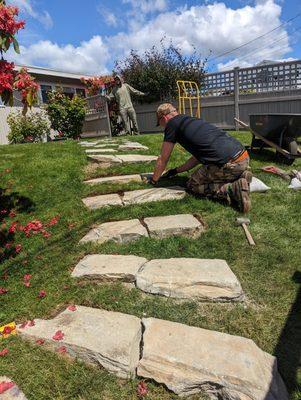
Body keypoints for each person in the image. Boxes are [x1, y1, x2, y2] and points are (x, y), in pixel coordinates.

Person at [150, 103, 252, 213]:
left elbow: (163, 159)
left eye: (160, 123)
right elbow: (197, 158)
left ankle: (232, 189)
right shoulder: (191, 120)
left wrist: (154, 180)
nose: (163, 127)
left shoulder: (172, 124)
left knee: (192, 184)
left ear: (164, 117)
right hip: (243, 158)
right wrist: (175, 171)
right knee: (209, 170)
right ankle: (241, 175)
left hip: (227, 164)